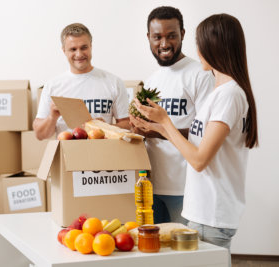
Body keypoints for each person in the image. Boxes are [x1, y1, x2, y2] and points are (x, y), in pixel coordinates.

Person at [131, 13, 258, 253]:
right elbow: (197, 142)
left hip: (213, 215)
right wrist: (155, 127)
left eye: (200, 44)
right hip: (200, 211)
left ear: (214, 47)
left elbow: (199, 160)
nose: (197, 50)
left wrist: (165, 122)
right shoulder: (221, 93)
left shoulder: (230, 95)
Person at [130, 6, 214, 224]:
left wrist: (157, 131)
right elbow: (149, 132)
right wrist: (139, 129)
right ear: (149, 37)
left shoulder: (200, 75)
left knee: (185, 254)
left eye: (171, 36)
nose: (164, 44)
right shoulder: (151, 81)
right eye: (157, 37)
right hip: (151, 186)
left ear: (183, 34)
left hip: (186, 187)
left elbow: (206, 133)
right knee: (157, 253)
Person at [34, 23, 130, 140]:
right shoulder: (52, 86)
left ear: (91, 46)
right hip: (68, 156)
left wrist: (104, 128)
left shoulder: (113, 82)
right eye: (73, 49)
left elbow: (128, 125)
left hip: (103, 155)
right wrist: (52, 117)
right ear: (64, 50)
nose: (79, 54)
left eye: (84, 47)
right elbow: (40, 135)